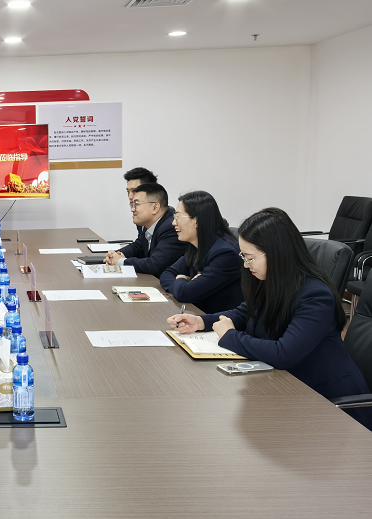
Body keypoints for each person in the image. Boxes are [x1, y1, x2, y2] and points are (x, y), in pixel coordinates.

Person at [168, 207, 372, 430]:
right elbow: (246, 312)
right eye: (243, 257)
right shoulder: (273, 280)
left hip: (330, 405)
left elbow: (284, 354)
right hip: (287, 387)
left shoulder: (316, 296)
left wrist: (230, 336)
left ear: (276, 253)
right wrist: (203, 322)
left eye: (250, 258)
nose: (245, 264)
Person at [159, 191, 243, 313]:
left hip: (219, 320)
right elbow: (167, 273)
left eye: (178, 217)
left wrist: (181, 279)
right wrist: (183, 283)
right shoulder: (197, 245)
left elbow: (185, 293)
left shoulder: (226, 254)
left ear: (197, 221)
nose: (174, 223)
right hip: (197, 314)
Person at [105, 183, 187, 276]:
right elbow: (138, 247)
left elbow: (155, 265)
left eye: (136, 204)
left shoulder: (171, 227)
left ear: (155, 207)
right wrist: (116, 255)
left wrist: (121, 261)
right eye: (132, 204)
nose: (132, 209)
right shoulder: (150, 224)